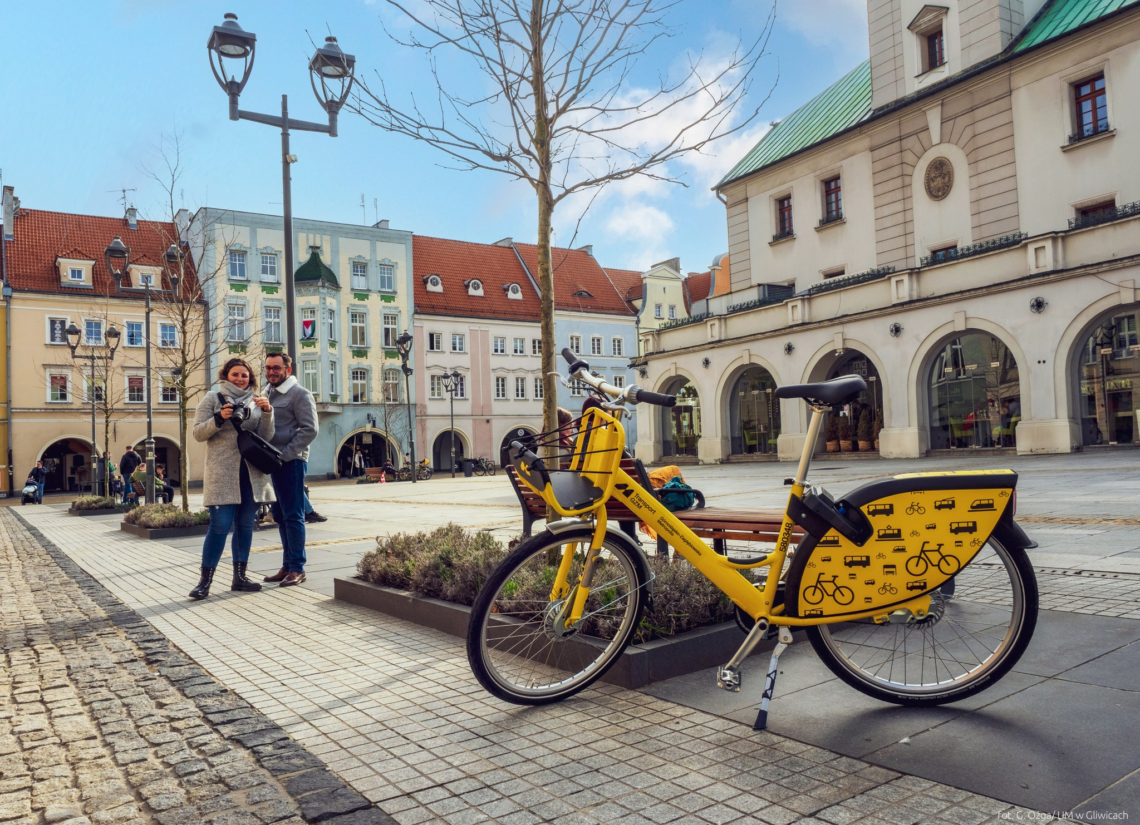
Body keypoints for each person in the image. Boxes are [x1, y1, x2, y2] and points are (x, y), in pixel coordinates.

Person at [189, 357, 275, 600]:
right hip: (222, 473)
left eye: (244, 375)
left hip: (251, 472)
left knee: (246, 525)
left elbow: (266, 436)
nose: (240, 378)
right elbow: (197, 433)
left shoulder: (257, 401)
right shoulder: (212, 398)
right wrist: (218, 419)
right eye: (235, 374)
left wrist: (268, 412)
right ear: (225, 375)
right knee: (219, 525)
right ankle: (204, 582)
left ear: (250, 378)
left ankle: (240, 577)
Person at [264, 353, 319, 587]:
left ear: (288, 368)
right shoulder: (267, 393)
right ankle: (287, 566)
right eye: (268, 368)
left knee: (294, 515)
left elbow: (310, 429)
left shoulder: (300, 394)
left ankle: (297, 568)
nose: (271, 372)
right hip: (270, 462)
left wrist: (285, 455)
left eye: (276, 368)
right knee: (279, 515)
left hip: (291, 461)